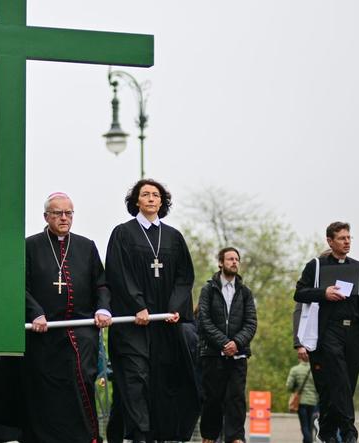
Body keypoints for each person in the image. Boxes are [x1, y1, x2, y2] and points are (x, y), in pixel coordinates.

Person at [106, 178, 200, 443]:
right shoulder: (123, 233)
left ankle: (152, 432)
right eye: (145, 194)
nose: (150, 198)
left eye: (155, 195)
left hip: (165, 324)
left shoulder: (173, 237)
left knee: (161, 380)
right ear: (136, 200)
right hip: (134, 323)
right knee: (135, 378)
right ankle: (140, 435)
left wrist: (173, 308)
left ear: (162, 201)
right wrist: (139, 306)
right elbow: (119, 273)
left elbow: (185, 277)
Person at [294, 222, 359, 443]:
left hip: (354, 332)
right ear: (330, 241)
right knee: (339, 380)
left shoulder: (358, 267)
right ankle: (349, 433)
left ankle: (327, 431)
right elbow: (300, 294)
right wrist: (324, 293)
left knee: (347, 385)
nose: (347, 242)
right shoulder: (316, 266)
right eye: (342, 238)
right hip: (329, 331)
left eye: (349, 238)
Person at [22, 191, 112, 443]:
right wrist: (35, 312)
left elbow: (102, 285)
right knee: (47, 390)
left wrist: (103, 309)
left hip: (81, 330)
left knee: (82, 378)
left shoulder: (86, 246)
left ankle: (86, 437)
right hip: (44, 333)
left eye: (68, 213)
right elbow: (21, 287)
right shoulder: (30, 246)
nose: (64, 218)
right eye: (58, 213)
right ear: (46, 216)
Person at [196, 246, 258, 443]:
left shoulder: (245, 292)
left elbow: (251, 323)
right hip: (213, 355)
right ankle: (209, 437)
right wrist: (224, 343)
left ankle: (236, 438)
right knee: (212, 400)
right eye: (230, 259)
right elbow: (204, 321)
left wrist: (236, 343)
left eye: (237, 259)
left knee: (236, 399)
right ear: (221, 263)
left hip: (238, 356)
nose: (234, 262)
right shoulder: (208, 290)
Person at [285, 360, 318, 443]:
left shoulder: (295, 370)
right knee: (310, 426)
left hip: (301, 402)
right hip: (313, 401)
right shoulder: (315, 369)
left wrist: (295, 388)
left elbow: (289, 386)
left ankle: (309, 441)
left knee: (304, 426)